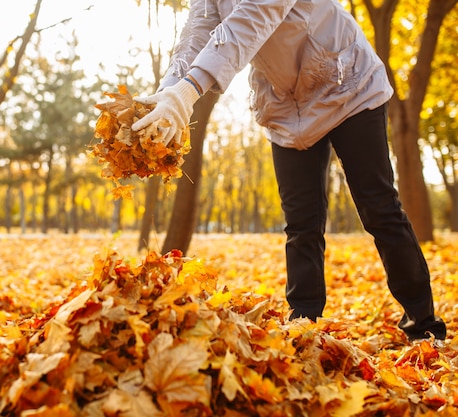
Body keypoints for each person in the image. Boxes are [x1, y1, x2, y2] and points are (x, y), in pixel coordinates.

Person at [131, 0, 446, 342]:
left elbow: (252, 19)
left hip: (346, 85)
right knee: (301, 224)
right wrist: (169, 92)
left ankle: (424, 326)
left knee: (379, 208)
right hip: (286, 107)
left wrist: (188, 91)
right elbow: (197, 32)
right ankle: (304, 326)